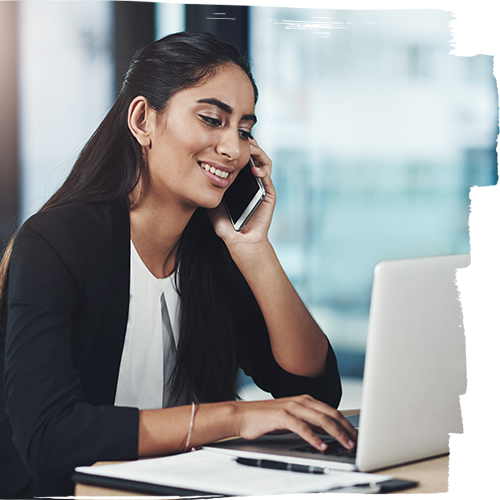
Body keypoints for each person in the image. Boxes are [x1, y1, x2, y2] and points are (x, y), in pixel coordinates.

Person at [0, 32, 356, 500]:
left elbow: (313, 387)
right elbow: (50, 436)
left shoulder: (213, 251)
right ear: (144, 119)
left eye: (245, 131)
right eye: (213, 119)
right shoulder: (56, 242)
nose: (234, 149)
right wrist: (235, 416)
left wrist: (255, 251)